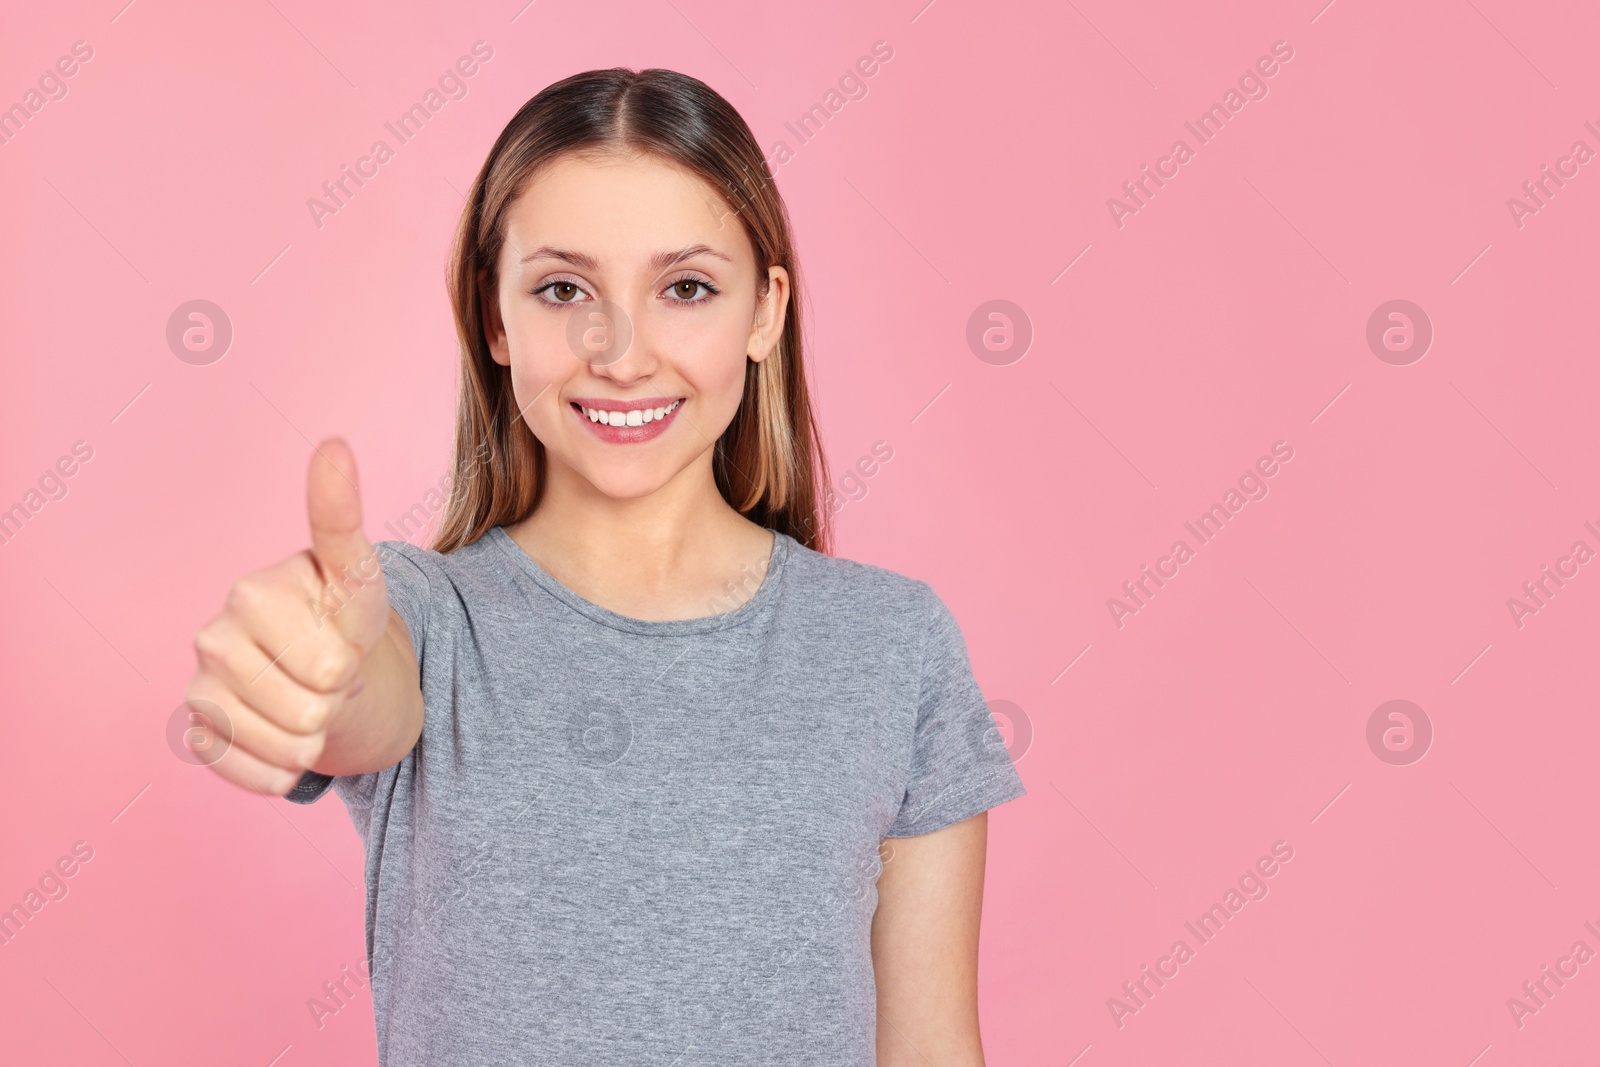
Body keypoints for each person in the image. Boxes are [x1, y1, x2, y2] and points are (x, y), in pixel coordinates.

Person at [183, 66, 1025, 1066]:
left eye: (685, 287)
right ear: (495, 321)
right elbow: (367, 689)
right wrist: (307, 673)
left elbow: (930, 1050)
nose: (621, 353)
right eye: (562, 289)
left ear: (764, 312)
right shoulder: (426, 617)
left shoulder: (892, 645)